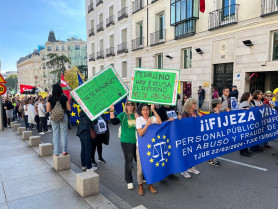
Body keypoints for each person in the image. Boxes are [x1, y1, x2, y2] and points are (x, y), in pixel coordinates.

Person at [110, 101, 138, 190]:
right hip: (127, 141)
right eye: (128, 104)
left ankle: (143, 177)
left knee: (139, 160)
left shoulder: (137, 115)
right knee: (129, 162)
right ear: (126, 106)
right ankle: (129, 180)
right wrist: (111, 111)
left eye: (132, 104)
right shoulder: (123, 115)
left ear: (134, 106)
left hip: (138, 141)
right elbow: (114, 122)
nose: (130, 106)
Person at [136, 104, 162, 196]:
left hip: (151, 146)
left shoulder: (152, 118)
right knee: (140, 168)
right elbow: (140, 134)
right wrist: (147, 125)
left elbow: (159, 122)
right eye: (144, 109)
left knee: (150, 166)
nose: (146, 111)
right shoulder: (139, 120)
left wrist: (154, 110)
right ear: (141, 111)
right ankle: (140, 185)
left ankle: (150, 184)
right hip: (141, 147)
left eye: (147, 109)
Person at [157, 105, 180, 183]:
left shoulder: (172, 108)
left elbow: (174, 119)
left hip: (171, 134)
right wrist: (168, 121)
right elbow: (158, 123)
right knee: (163, 155)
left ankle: (170, 173)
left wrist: (178, 118)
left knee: (170, 155)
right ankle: (161, 176)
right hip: (163, 135)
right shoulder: (160, 109)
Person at [46, 84, 71, 156]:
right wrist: (63, 108)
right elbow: (69, 109)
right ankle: (64, 151)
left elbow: (48, 110)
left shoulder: (50, 99)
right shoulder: (64, 98)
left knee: (55, 134)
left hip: (54, 117)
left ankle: (56, 152)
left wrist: (54, 109)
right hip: (63, 116)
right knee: (64, 133)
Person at [180, 98, 201, 178]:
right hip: (186, 137)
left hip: (194, 135)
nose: (195, 105)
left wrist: (198, 117)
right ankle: (184, 170)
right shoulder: (184, 114)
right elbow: (184, 125)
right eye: (193, 103)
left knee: (193, 152)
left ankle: (191, 167)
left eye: (195, 103)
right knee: (186, 153)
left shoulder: (195, 111)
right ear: (189, 105)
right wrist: (192, 120)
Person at [238, 92, 254, 157]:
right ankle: (242, 151)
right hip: (244, 123)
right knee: (244, 137)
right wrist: (244, 109)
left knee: (248, 137)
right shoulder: (243, 104)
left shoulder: (250, 103)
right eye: (251, 95)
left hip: (248, 123)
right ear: (247, 96)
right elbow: (239, 112)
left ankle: (246, 150)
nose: (252, 96)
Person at [208, 99, 221, 166]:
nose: (221, 104)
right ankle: (210, 160)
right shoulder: (212, 112)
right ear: (217, 105)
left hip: (218, 131)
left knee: (216, 146)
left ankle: (213, 158)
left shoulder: (220, 111)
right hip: (213, 132)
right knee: (212, 145)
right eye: (220, 103)